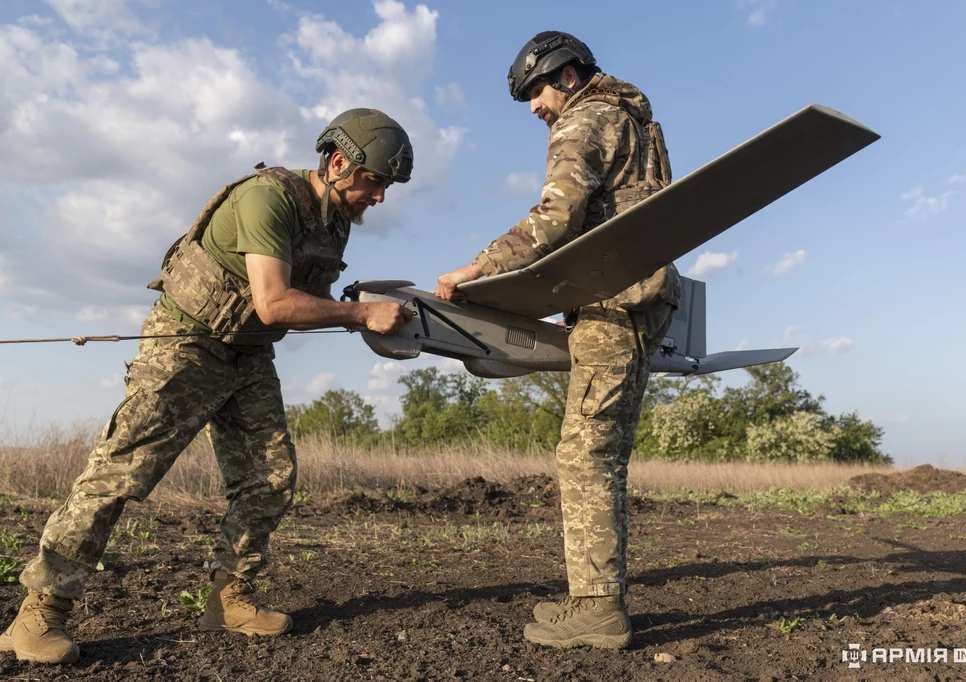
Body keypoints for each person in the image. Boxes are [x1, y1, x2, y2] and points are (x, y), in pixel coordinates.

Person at [0, 109, 415, 664]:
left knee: (270, 477)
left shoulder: (332, 222)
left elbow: (279, 314)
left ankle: (230, 598)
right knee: (121, 472)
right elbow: (274, 302)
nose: (380, 197)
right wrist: (361, 314)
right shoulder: (267, 199)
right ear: (339, 163)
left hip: (246, 353)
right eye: (375, 182)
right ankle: (39, 613)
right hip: (186, 343)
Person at [435, 32, 680, 650]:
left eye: (535, 92)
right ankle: (593, 598)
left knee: (585, 455)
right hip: (635, 300)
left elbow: (556, 217)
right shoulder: (635, 123)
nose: (533, 108)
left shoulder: (585, 119)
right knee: (600, 453)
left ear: (567, 76)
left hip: (613, 303)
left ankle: (597, 608)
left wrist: (478, 268)